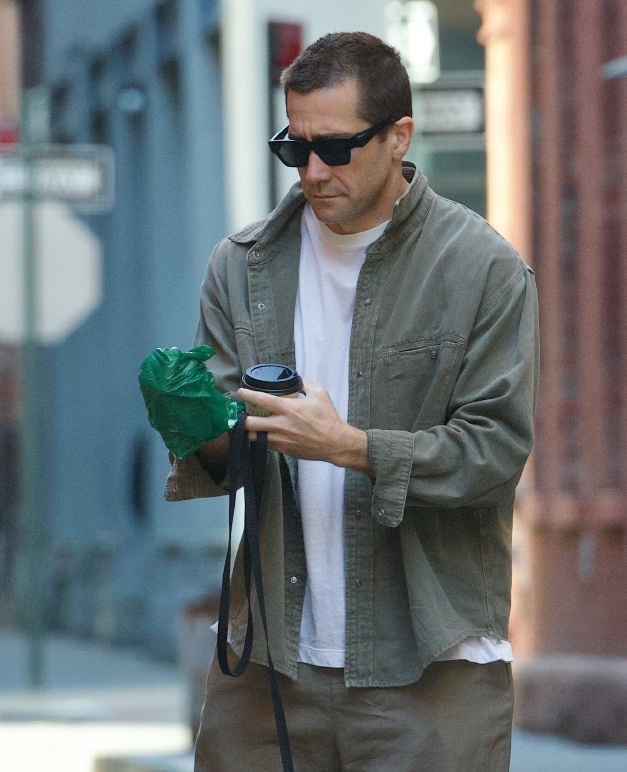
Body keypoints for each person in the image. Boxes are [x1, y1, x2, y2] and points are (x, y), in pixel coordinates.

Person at [165, 31, 539, 772]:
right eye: (294, 148)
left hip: (430, 667)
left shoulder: (482, 269)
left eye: (336, 148)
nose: (313, 171)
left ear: (399, 136)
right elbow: (228, 462)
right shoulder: (241, 266)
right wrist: (196, 423)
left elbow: (494, 453)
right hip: (268, 662)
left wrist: (349, 446)